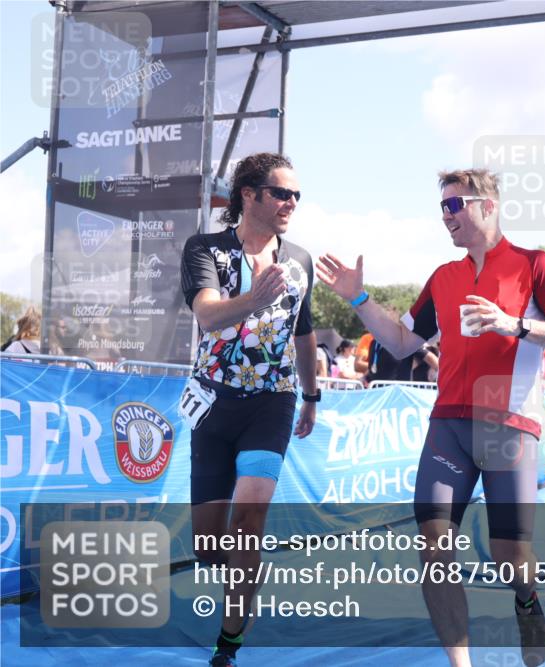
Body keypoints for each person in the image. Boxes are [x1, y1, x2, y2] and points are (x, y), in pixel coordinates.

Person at [316, 168, 545, 667]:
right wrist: (358, 298)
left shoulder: (536, 265)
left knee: (509, 557)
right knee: (434, 545)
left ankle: (527, 600)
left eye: (455, 205)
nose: (446, 216)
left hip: (509, 427)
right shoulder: (444, 277)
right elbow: (400, 341)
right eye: (441, 207)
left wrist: (516, 326)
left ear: (488, 205)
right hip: (448, 428)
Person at [179, 152, 318, 667]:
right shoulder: (206, 249)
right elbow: (209, 315)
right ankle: (237, 586)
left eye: (297, 196)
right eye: (282, 193)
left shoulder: (299, 259)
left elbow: (303, 334)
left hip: (272, 401)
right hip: (213, 402)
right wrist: (255, 299)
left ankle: (229, 641)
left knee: (251, 516)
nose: (292, 204)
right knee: (212, 547)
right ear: (249, 195)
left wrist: (312, 394)